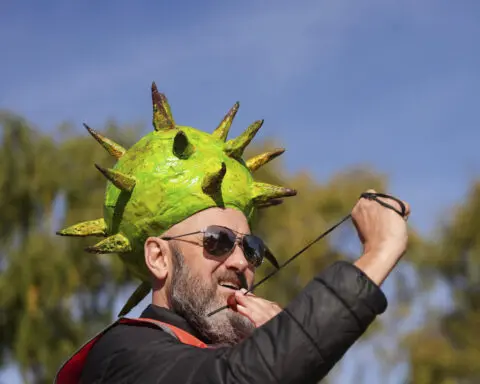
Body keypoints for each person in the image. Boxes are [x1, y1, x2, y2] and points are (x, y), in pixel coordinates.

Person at [54, 83, 410, 384]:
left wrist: (284, 346)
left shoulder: (224, 358)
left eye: (251, 247)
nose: (241, 261)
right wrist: (378, 253)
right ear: (158, 257)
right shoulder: (122, 357)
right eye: (217, 240)